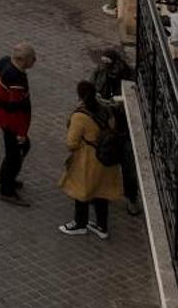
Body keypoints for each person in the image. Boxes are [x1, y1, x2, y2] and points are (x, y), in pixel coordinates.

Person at [58, 78, 125, 239]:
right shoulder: (105, 109)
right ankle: (102, 226)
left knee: (82, 192)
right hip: (107, 158)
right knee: (102, 194)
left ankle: (80, 224)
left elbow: (71, 143)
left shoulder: (80, 116)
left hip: (88, 159)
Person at [89, 47, 141, 218]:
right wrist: (96, 99)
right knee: (100, 159)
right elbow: (91, 88)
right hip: (106, 125)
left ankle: (131, 198)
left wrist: (122, 105)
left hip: (126, 128)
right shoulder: (100, 73)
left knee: (129, 167)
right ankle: (98, 191)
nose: (104, 66)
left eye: (108, 63)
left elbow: (136, 101)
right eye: (102, 62)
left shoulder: (128, 75)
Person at [0, 43, 36, 203]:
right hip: (12, 124)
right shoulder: (16, 80)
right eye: (32, 58)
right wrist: (22, 134)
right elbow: (17, 110)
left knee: (16, 150)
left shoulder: (4, 62)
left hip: (1, 115)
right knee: (15, 156)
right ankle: (7, 189)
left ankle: (4, 176)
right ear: (23, 60)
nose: (35, 61)